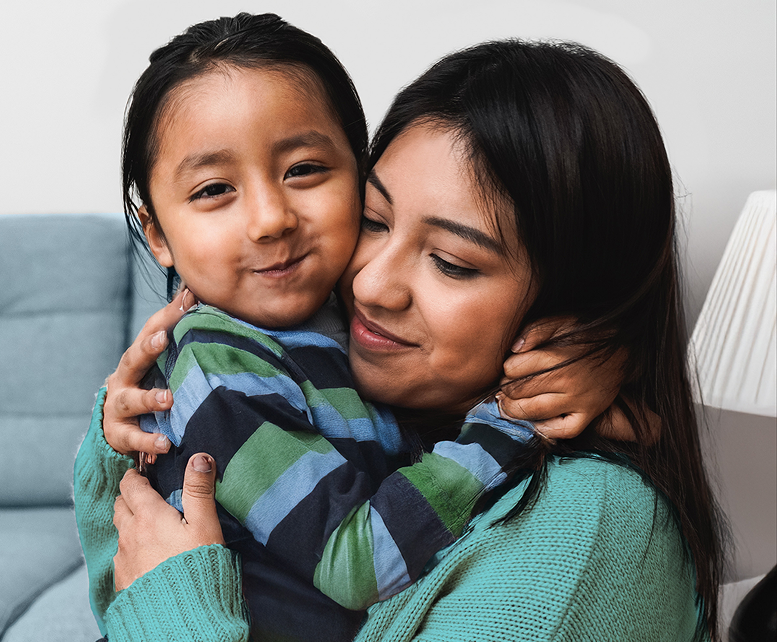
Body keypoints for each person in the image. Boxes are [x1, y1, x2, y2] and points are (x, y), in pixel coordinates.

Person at [76, 29, 723, 642]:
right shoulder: (371, 397)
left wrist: (172, 613)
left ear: (571, 305)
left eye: (451, 262)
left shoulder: (584, 533)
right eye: (374, 220)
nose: (368, 286)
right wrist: (122, 427)